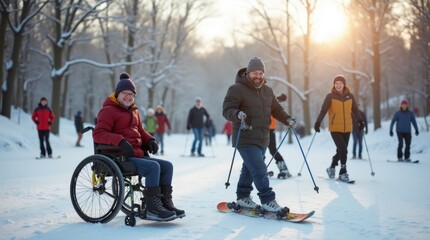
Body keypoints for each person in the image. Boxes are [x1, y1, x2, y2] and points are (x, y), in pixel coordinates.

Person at [93, 72, 184, 221]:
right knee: (153, 167)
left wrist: (150, 140)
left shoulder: (134, 111)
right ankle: (152, 208)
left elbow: (140, 131)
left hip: (135, 153)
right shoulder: (108, 111)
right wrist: (120, 141)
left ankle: (165, 203)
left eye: (132, 94)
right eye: (125, 93)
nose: (128, 97)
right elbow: (98, 134)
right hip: (118, 156)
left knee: (167, 166)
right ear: (117, 94)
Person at [223, 57, 297, 213]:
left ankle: (243, 197)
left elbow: (277, 110)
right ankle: (267, 199)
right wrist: (238, 114)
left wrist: (288, 119)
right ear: (248, 73)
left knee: (250, 169)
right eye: (255, 73)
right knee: (259, 169)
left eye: (260, 73)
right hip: (245, 137)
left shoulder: (267, 91)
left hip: (263, 138)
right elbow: (227, 110)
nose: (258, 76)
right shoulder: (236, 89)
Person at [314, 75, 364, 182]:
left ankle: (331, 167)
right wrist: (318, 122)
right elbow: (323, 110)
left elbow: (355, 109)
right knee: (343, 149)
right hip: (335, 128)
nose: (338, 85)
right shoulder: (330, 96)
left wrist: (360, 121)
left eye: (340, 83)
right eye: (336, 83)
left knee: (342, 151)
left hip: (347, 128)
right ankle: (343, 172)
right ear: (334, 85)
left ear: (344, 84)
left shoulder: (350, 96)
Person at [267, 93, 292, 178]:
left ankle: (284, 169)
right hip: (259, 128)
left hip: (271, 129)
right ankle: (257, 169)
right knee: (258, 150)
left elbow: (275, 102)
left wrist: (280, 98)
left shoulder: (271, 99)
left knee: (273, 149)